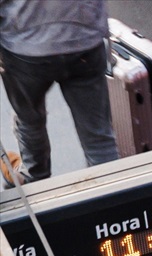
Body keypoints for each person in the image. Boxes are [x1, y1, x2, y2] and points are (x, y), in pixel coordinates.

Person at [0, 0, 119, 185]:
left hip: (25, 48)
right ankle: (113, 197)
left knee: (30, 120)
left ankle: (33, 177)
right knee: (98, 137)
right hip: (84, 40)